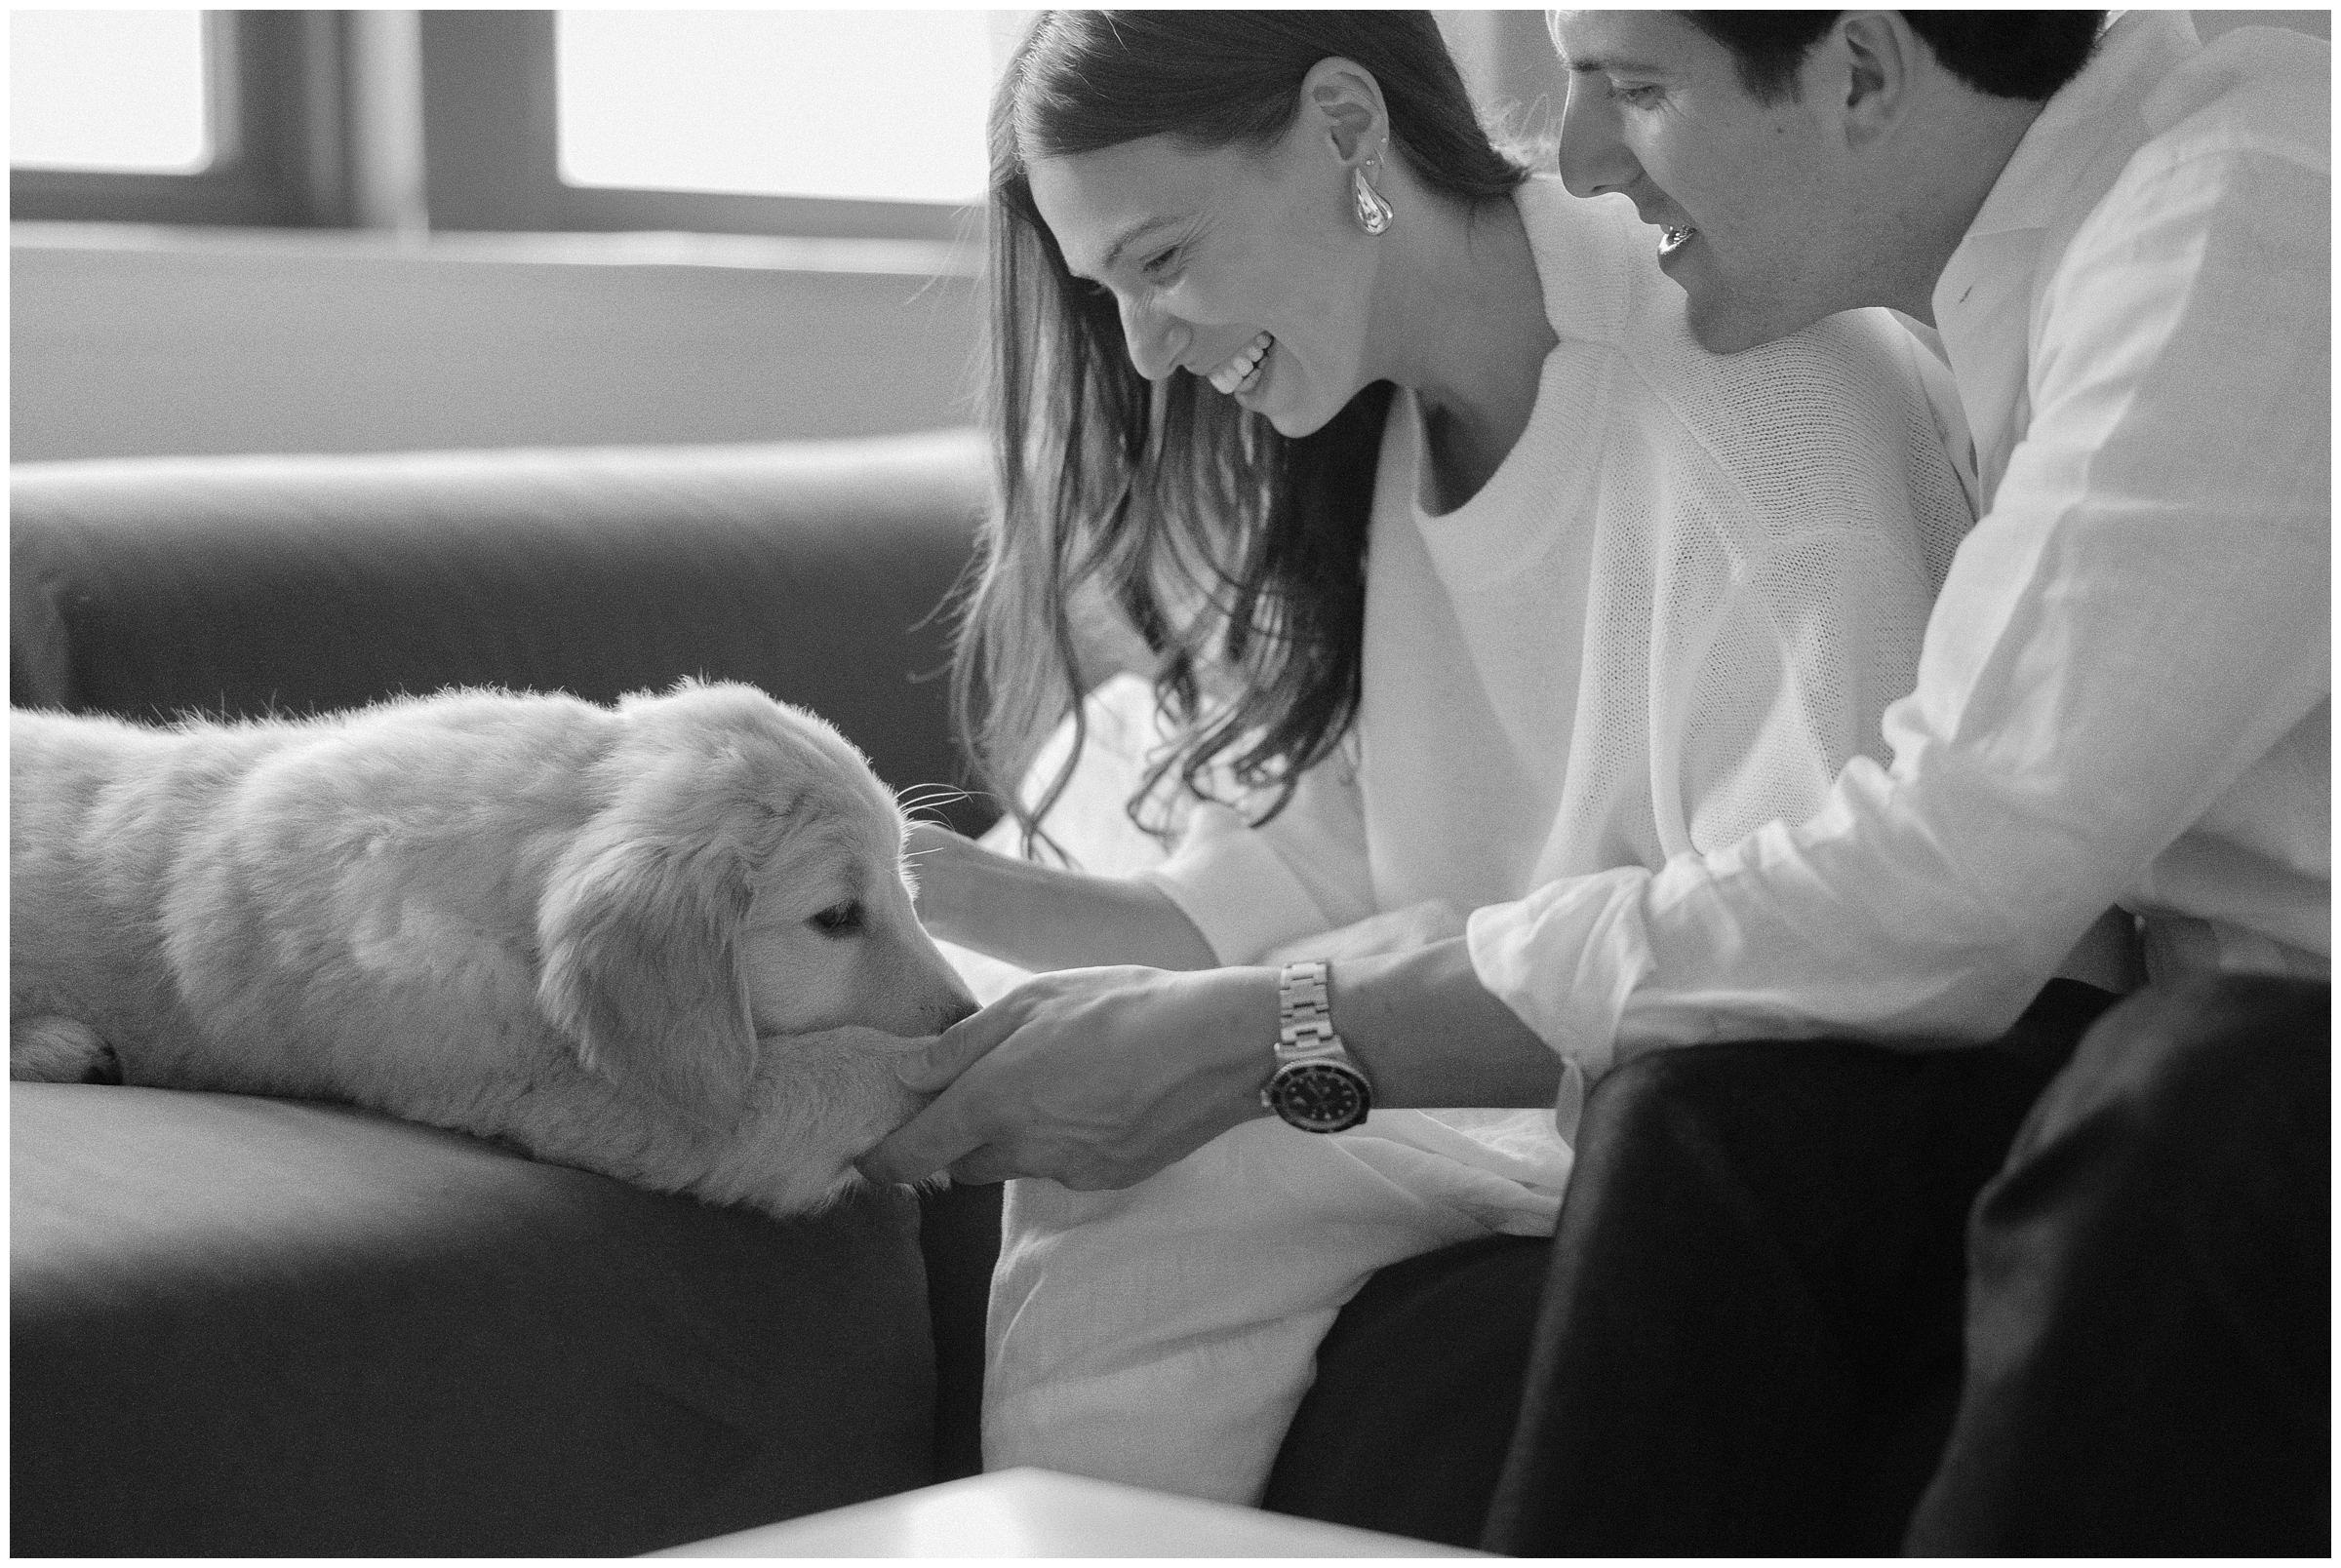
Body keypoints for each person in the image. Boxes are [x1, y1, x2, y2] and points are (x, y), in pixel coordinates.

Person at [870, 8, 1998, 1526]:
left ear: (1349, 127)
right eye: (1109, 296)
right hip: (1485, 1058)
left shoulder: (1762, 432)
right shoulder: (1393, 424)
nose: (1144, 354)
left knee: (1152, 1193)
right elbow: (1316, 864)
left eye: (1162, 262)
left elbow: (1822, 993)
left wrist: (1243, 1045)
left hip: (1736, 1142)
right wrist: (895, 866)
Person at [1466, 11, 2329, 1556]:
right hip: (2222, 1028)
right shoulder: (2033, 256)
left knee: (2199, 1094)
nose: (1583, 160)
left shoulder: (2242, 213)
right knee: (1719, 1108)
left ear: (1863, 68)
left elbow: (1961, 869)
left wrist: (1358, 1012)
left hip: (2262, 1069)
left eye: (1640, 88)